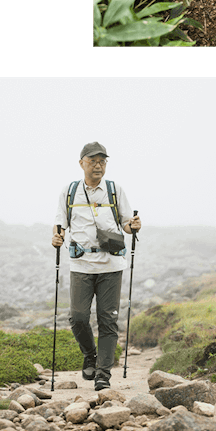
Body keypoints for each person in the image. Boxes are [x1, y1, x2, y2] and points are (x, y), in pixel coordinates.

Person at [52, 141, 141, 390]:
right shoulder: (69, 192)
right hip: (81, 265)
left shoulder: (115, 190)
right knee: (78, 317)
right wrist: (56, 237)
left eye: (102, 161)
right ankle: (89, 354)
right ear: (81, 163)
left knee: (107, 320)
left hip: (111, 265)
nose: (98, 165)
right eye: (93, 161)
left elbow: (125, 223)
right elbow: (60, 224)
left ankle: (103, 374)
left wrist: (133, 225)